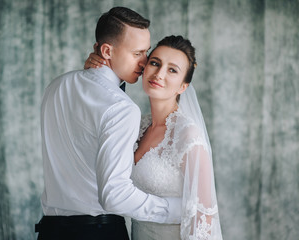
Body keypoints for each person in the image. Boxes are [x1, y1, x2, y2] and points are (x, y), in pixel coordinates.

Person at [36, 7, 182, 240]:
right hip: (99, 233)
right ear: (106, 50)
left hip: (49, 232)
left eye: (146, 52)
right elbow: (115, 195)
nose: (145, 63)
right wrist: (174, 210)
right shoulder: (122, 109)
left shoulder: (56, 87)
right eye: (137, 53)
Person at [86, 35, 223, 239]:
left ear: (183, 87)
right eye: (155, 63)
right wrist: (97, 71)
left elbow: (204, 216)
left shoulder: (187, 134)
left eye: (172, 70)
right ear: (144, 68)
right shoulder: (138, 125)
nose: (159, 74)